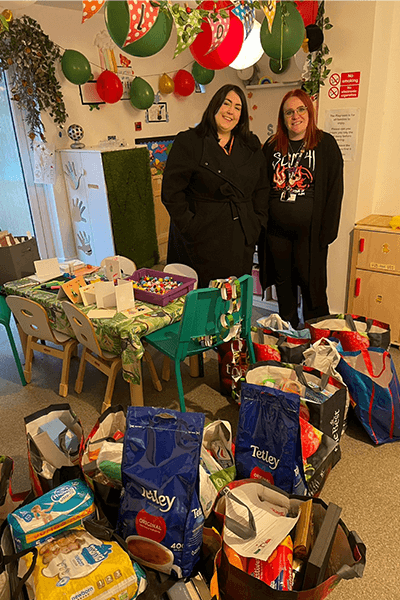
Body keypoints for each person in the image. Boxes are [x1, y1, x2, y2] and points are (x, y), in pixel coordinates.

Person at [161, 84, 269, 289]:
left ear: (242, 115)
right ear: (214, 106)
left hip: (239, 237)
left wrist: (257, 223)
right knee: (203, 301)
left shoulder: (251, 144)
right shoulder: (190, 141)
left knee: (233, 300)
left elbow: (261, 188)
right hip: (201, 239)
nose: (231, 111)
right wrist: (190, 226)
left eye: (238, 107)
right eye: (226, 103)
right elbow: (171, 192)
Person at [258, 89, 344, 329]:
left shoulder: (325, 144)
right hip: (277, 235)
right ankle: (290, 340)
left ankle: (318, 342)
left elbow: (335, 191)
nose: (295, 116)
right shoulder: (273, 146)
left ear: (309, 111)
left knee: (313, 292)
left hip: (311, 236)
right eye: (289, 112)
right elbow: (261, 186)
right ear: (282, 118)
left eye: (300, 109)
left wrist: (327, 233)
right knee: (284, 291)